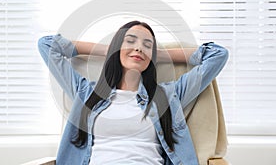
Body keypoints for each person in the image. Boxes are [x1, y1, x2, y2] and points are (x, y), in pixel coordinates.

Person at [38, 20, 228, 165]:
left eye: (147, 44)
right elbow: (48, 45)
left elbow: (217, 54)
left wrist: (157, 54)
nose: (138, 47)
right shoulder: (86, 92)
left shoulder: (170, 95)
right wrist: (110, 50)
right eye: (130, 41)